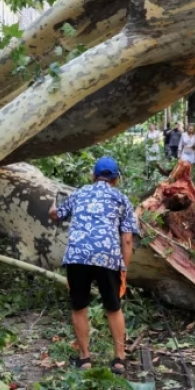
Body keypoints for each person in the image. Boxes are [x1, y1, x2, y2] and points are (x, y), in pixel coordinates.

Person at [49, 157, 138, 374]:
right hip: (107, 257)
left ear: (93, 176)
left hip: (77, 256)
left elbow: (56, 215)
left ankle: (85, 358)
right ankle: (119, 358)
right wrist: (123, 269)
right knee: (113, 307)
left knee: (79, 306)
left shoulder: (79, 193)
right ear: (116, 179)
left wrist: (53, 206)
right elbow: (127, 240)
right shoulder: (122, 199)